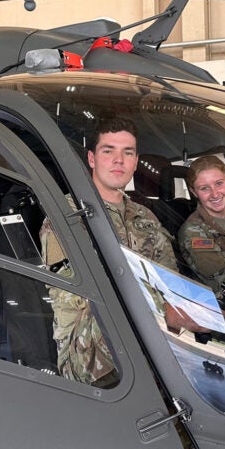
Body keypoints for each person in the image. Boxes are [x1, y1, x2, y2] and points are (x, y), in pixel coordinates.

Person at [40, 116, 176, 387]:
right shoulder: (66, 217)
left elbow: (170, 281)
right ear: (91, 159)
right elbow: (77, 298)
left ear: (136, 162)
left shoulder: (145, 217)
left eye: (127, 153)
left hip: (150, 339)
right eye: (108, 151)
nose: (119, 160)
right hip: (86, 351)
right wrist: (162, 306)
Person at [177, 155, 225, 309]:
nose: (215, 194)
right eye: (204, 188)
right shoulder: (193, 232)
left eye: (219, 183)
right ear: (194, 192)